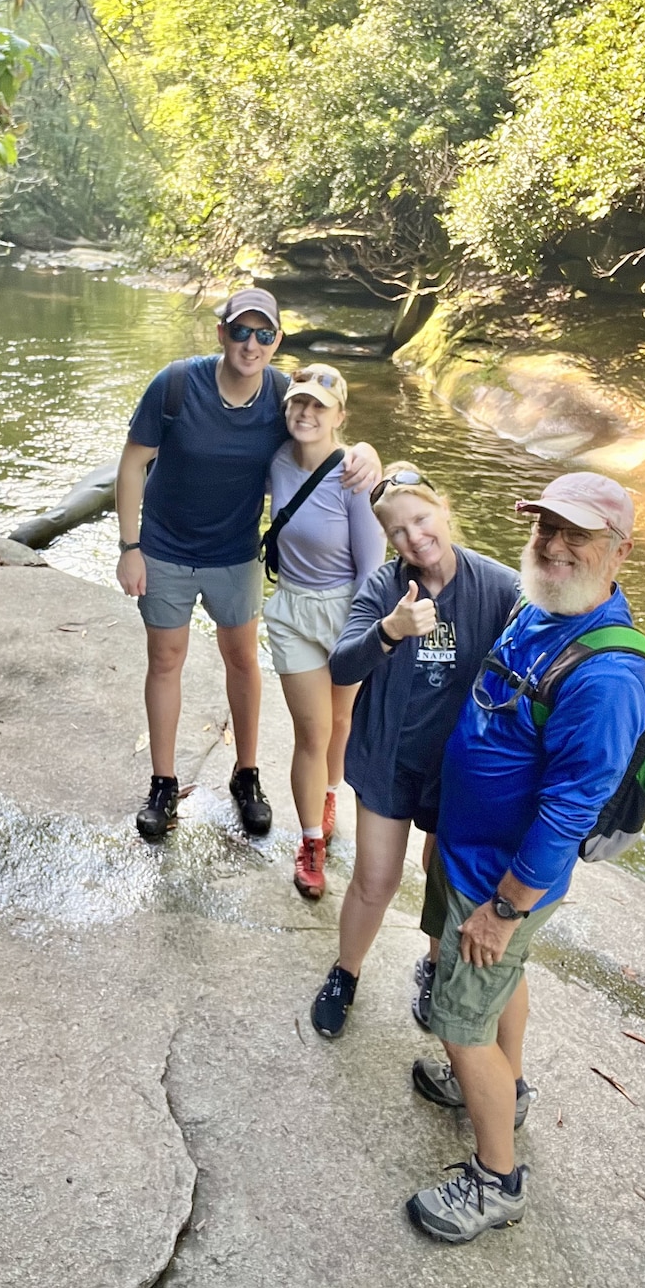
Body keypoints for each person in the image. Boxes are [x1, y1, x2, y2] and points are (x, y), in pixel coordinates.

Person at [405, 471, 645, 1246]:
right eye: (546, 527)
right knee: (497, 991)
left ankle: (497, 1180)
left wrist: (506, 908)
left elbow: (570, 806)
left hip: (502, 882)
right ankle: (502, 1093)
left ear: (618, 552)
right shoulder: (545, 605)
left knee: (460, 1022)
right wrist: (443, 822)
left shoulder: (609, 674)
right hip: (470, 852)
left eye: (574, 535)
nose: (551, 544)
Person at [115, 289, 380, 840]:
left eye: (264, 334)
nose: (251, 344)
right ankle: (164, 783)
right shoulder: (176, 384)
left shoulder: (284, 396)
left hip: (236, 554)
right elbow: (133, 462)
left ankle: (247, 774)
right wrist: (129, 546)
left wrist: (368, 454)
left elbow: (324, 433)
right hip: (164, 548)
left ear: (277, 341)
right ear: (221, 334)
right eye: (241, 331)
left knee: (242, 658)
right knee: (166, 658)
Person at [310, 464, 519, 1036]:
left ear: (444, 509)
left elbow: (544, 646)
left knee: (442, 877)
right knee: (375, 879)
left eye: (422, 519)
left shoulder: (500, 587)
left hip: (460, 768)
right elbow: (342, 663)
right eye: (398, 531)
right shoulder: (383, 587)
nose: (415, 537)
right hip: (390, 758)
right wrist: (391, 630)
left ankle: (433, 966)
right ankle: (345, 973)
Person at [263, 365, 384, 899]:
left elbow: (372, 568)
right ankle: (311, 840)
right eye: (298, 404)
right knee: (312, 731)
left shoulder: (355, 477)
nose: (306, 414)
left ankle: (329, 791)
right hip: (291, 610)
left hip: (345, 611)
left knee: (341, 719)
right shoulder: (275, 460)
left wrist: (362, 633)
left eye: (319, 406)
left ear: (340, 416)